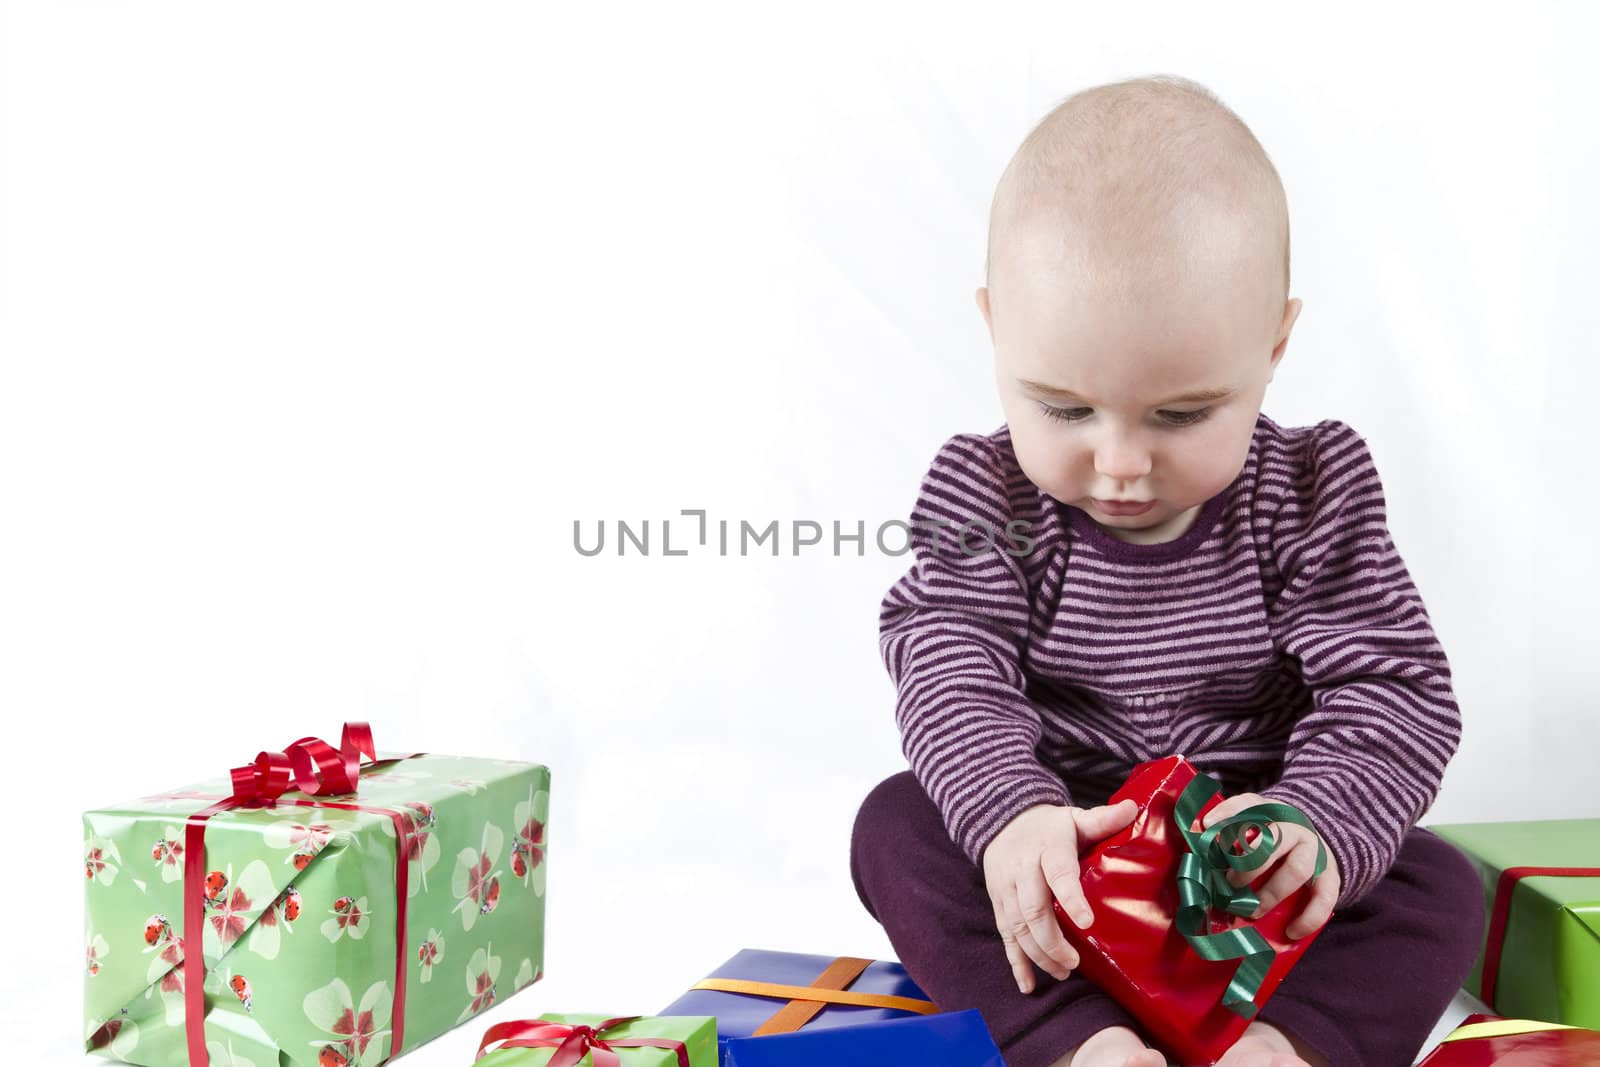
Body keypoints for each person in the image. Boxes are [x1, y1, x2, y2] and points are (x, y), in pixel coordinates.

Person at [850, 74, 1484, 1067]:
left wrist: (1312, 823)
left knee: (1435, 883)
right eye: (1063, 408)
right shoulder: (983, 495)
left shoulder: (1313, 490)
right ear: (994, 330)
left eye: (1179, 414)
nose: (1120, 461)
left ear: (1272, 345)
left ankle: (1284, 1044)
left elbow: (1391, 685)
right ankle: (1075, 1041)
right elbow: (947, 661)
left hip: (1239, 870)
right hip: (1066, 851)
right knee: (895, 826)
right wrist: (1014, 814)